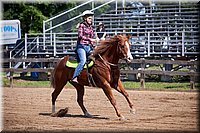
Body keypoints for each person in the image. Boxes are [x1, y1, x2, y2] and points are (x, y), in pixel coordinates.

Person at [70, 10, 97, 83]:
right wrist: (90, 39)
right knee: (83, 61)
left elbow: (92, 37)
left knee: (98, 58)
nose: (91, 19)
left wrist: (94, 43)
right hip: (81, 47)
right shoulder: (81, 25)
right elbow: (80, 36)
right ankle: (74, 77)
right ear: (85, 18)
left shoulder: (91, 27)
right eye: (89, 18)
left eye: (91, 18)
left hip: (89, 47)